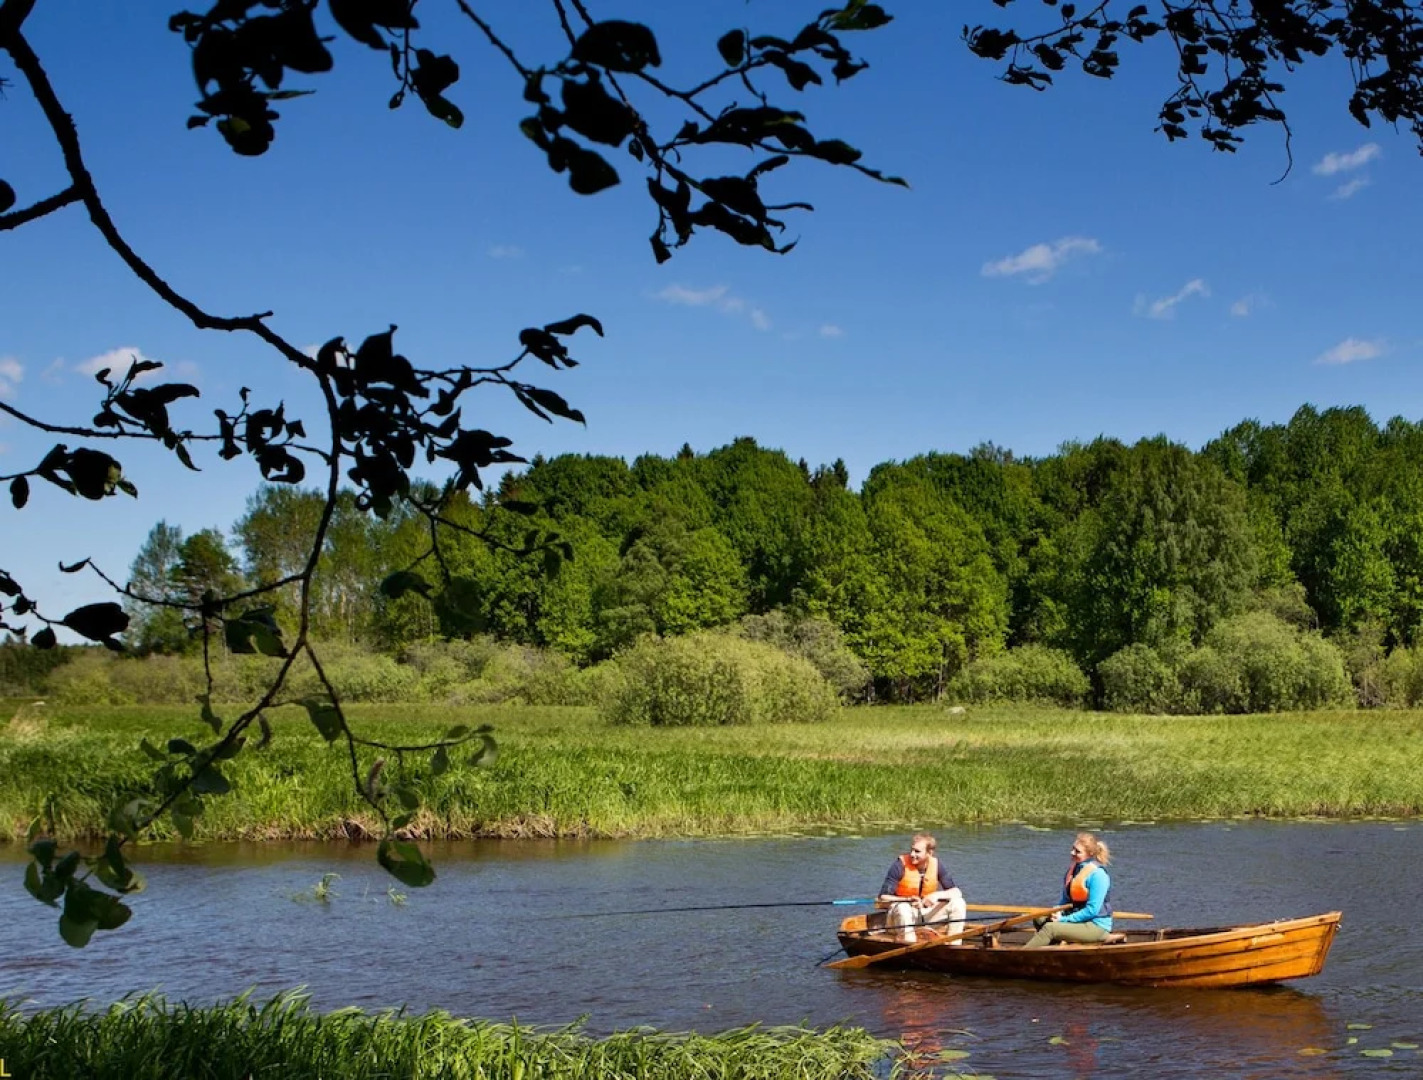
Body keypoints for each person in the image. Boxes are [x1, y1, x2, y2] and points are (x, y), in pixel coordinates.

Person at [1024, 831, 1113, 948]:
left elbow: (1092, 910)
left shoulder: (1098, 875)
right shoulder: (1074, 870)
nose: (1072, 852)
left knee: (1050, 928)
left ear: (1090, 854)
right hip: (1077, 919)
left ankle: (1019, 955)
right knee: (1039, 918)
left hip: (1096, 926)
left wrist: (1063, 919)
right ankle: (1052, 949)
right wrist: (1056, 911)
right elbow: (1065, 901)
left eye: (1077, 851)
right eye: (1073, 849)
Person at [877, 832, 966, 943]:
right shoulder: (899, 865)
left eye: (917, 851)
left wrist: (936, 896)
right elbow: (883, 897)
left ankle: (954, 945)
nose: (912, 854)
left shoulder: (936, 865)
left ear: (930, 852)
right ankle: (909, 945)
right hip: (898, 919)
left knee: (958, 903)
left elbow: (956, 892)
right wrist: (907, 899)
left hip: (924, 915)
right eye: (912, 850)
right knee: (903, 908)